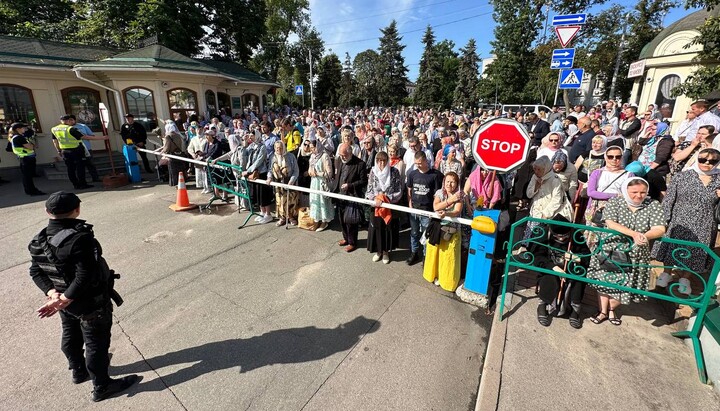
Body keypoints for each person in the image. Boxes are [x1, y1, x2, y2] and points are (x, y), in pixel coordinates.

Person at [28, 191, 139, 402]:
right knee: (96, 343)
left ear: (47, 212)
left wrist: (54, 295)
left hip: (63, 301)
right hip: (88, 302)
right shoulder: (80, 238)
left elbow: (36, 271)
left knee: (70, 333)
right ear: (77, 210)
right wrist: (66, 298)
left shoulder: (38, 240)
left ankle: (79, 371)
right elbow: (85, 274)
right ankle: (102, 386)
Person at [587, 178, 666, 325]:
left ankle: (612, 309)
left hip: (636, 253)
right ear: (626, 191)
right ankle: (603, 311)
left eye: (643, 192)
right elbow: (610, 222)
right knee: (604, 280)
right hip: (611, 248)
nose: (638, 196)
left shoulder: (653, 205)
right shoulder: (615, 202)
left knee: (626, 284)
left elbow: (660, 228)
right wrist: (634, 234)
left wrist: (645, 236)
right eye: (634, 192)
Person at [652, 148, 720, 295]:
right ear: (697, 159)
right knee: (672, 247)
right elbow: (669, 199)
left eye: (712, 161)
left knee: (697, 251)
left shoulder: (719, 179)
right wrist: (664, 219)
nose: (707, 163)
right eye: (703, 160)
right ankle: (666, 273)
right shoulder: (682, 176)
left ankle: (685, 278)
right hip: (679, 219)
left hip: (705, 222)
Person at [423, 172, 464, 292]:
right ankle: (434, 275)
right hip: (437, 229)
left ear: (457, 183)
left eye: (452, 182)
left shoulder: (460, 195)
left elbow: (457, 211)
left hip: (452, 231)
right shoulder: (439, 193)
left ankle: (446, 280)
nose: (449, 184)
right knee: (435, 253)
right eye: (447, 181)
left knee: (448, 256)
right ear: (444, 182)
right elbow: (435, 207)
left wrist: (446, 213)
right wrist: (450, 201)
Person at [406, 150, 444, 265]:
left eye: (420, 163)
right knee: (414, 232)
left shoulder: (434, 175)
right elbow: (409, 189)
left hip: (427, 210)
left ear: (425, 161)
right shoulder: (412, 174)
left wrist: (435, 209)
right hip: (414, 209)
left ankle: (425, 256)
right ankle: (414, 253)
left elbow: (437, 194)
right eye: (416, 163)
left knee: (426, 234)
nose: (418, 165)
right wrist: (410, 204)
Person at [365, 151, 403, 264]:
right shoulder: (373, 171)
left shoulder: (394, 171)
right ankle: (379, 252)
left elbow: (399, 190)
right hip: (376, 206)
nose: (381, 163)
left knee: (388, 229)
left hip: (389, 206)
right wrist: (375, 199)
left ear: (387, 161)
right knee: (377, 228)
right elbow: (369, 189)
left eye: (384, 161)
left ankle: (386, 252)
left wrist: (387, 198)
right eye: (379, 161)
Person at [523, 156, 572, 241]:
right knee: (530, 238)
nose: (536, 172)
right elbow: (529, 194)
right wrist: (536, 187)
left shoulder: (555, 180)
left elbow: (557, 200)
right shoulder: (534, 177)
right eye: (535, 169)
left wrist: (546, 213)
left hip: (547, 215)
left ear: (546, 168)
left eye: (539, 169)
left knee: (542, 238)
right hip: (535, 211)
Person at [584, 146, 632, 227]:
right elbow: (591, 192)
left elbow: (629, 194)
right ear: (605, 157)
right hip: (596, 208)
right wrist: (615, 195)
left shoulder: (629, 175)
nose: (614, 159)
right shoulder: (597, 172)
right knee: (592, 235)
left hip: (618, 209)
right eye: (610, 157)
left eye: (618, 157)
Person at [51, 115, 102, 190]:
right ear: (68, 121)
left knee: (70, 169)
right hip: (76, 150)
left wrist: (58, 150)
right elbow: (84, 137)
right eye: (70, 120)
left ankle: (75, 185)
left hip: (65, 151)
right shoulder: (70, 129)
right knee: (80, 168)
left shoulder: (54, 129)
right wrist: (102, 138)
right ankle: (82, 184)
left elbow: (54, 141)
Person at [332, 143, 368, 252]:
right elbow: (337, 176)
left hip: (352, 196)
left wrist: (350, 185)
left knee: (351, 221)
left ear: (350, 153)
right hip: (340, 195)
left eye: (344, 155)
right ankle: (345, 238)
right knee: (341, 219)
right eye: (341, 155)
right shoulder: (339, 160)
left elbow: (363, 181)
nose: (342, 157)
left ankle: (352, 242)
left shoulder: (360, 164)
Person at [243, 131, 273, 224]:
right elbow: (245, 153)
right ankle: (262, 212)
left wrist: (248, 171)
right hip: (253, 172)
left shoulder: (262, 146)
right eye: (250, 135)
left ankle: (268, 214)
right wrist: (244, 142)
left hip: (261, 172)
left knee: (263, 194)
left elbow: (259, 160)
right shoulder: (252, 146)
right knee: (257, 195)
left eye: (252, 135)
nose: (250, 137)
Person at [268, 141, 300, 226]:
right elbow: (270, 170)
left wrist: (291, 181)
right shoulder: (273, 157)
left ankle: (291, 217)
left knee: (290, 201)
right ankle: (282, 218)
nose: (279, 150)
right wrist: (269, 178)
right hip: (278, 184)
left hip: (289, 182)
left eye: (281, 148)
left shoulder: (291, 156)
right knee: (280, 201)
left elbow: (296, 170)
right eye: (277, 148)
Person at [10, 122, 45, 195]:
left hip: (24, 158)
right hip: (26, 158)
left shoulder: (16, 136)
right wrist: (32, 144)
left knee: (27, 176)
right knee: (27, 177)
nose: (25, 129)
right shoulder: (19, 137)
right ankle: (31, 191)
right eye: (23, 128)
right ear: (18, 129)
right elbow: (31, 147)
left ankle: (30, 190)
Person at [308, 140, 334, 232]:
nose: (312, 150)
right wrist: (310, 172)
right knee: (315, 201)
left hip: (322, 183)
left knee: (322, 201)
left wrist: (318, 173)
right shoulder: (312, 156)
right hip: (314, 182)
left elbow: (329, 173)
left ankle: (324, 221)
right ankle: (316, 220)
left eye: (313, 147)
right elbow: (310, 169)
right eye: (311, 148)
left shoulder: (324, 156)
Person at [153, 120, 186, 187]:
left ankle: (175, 183)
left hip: (172, 155)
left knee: (173, 171)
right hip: (179, 154)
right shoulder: (178, 135)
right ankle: (182, 183)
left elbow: (167, 147)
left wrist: (162, 152)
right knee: (180, 170)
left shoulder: (168, 136)